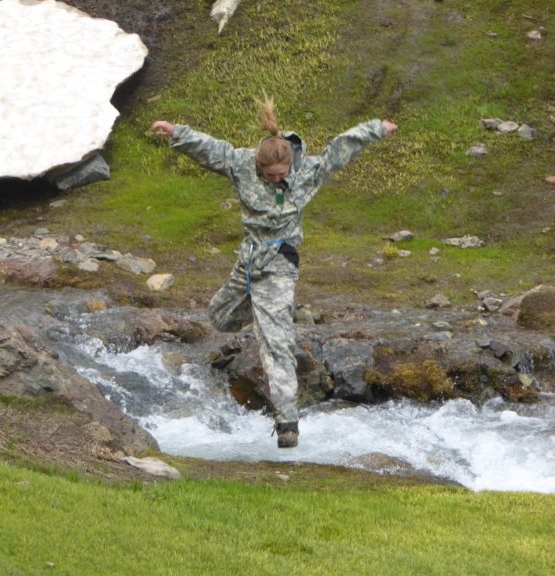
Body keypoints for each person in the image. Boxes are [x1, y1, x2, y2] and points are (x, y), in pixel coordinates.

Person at [151, 97, 397, 448]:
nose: (278, 179)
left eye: (282, 174)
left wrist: (376, 129)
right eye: (271, 176)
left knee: (277, 345)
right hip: (248, 262)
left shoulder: (308, 172)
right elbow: (209, 149)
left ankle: (287, 423)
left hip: (280, 264)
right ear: (259, 167)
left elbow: (341, 147)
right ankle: (266, 321)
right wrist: (177, 132)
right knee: (218, 317)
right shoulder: (239, 164)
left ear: (291, 164)